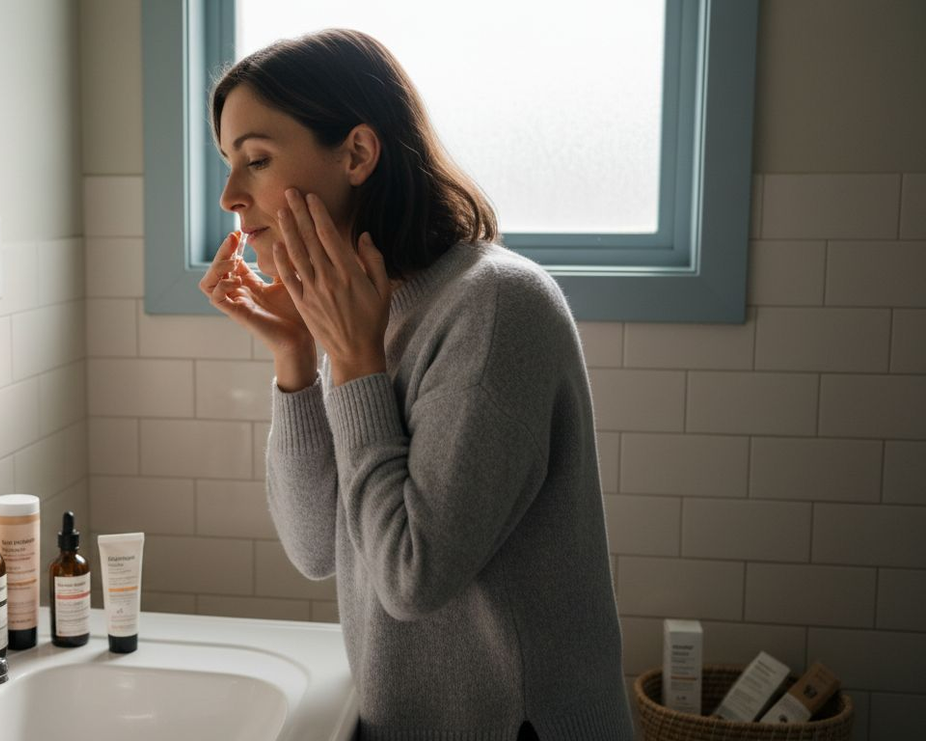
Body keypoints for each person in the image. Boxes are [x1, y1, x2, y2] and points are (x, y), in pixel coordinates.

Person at [199, 28, 634, 741]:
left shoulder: (497, 306)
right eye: (228, 164)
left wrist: (355, 361)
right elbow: (315, 547)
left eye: (257, 160)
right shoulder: (367, 310)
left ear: (357, 154)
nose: (229, 196)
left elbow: (412, 576)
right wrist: (297, 356)